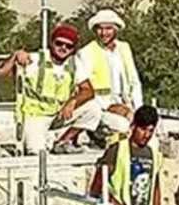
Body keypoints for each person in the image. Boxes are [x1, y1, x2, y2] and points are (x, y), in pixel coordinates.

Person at [58, 9, 144, 150]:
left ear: (116, 29)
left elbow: (134, 81)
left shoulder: (124, 48)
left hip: (124, 102)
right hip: (100, 105)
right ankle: (97, 135)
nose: (104, 33)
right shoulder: (86, 52)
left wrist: (138, 109)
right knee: (123, 125)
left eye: (108, 28)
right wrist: (113, 108)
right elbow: (84, 89)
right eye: (100, 29)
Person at [0, 23, 89, 153]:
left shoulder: (74, 64)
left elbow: (88, 90)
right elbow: (2, 74)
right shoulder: (35, 60)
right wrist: (15, 57)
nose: (63, 48)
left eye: (68, 46)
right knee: (37, 153)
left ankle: (63, 142)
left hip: (58, 113)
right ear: (51, 43)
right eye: (59, 43)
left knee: (93, 109)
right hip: (35, 115)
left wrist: (73, 101)